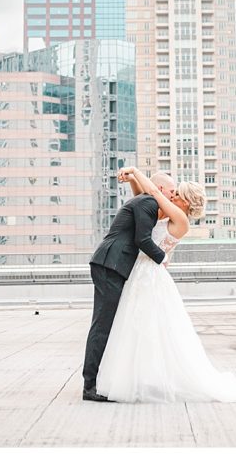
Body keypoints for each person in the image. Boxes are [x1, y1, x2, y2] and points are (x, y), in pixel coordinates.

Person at [95, 166, 236, 403]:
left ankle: (144, 379)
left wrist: (135, 171)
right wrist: (133, 179)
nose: (173, 195)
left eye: (177, 194)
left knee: (147, 326)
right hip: (141, 271)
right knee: (137, 326)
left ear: (185, 201)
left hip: (149, 273)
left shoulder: (180, 219)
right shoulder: (169, 214)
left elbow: (154, 191)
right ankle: (138, 377)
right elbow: (143, 198)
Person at [82, 170, 178, 402]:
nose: (173, 196)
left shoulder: (143, 200)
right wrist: (163, 258)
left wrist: (134, 179)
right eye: (172, 191)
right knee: (102, 325)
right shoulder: (148, 202)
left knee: (105, 324)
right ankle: (90, 386)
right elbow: (142, 240)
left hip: (111, 264)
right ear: (160, 189)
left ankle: (96, 381)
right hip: (111, 264)